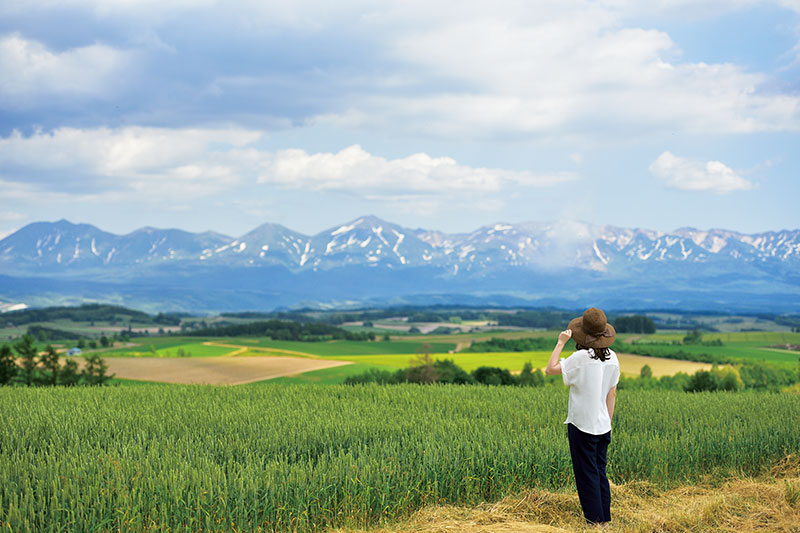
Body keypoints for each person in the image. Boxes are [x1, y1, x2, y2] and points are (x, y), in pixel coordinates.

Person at [545, 307, 620, 526]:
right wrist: (608, 422)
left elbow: (550, 369)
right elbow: (612, 393)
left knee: (586, 475)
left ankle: (594, 523)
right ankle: (605, 520)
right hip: (603, 425)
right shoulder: (613, 358)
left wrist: (560, 342)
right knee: (599, 473)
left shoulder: (579, 358)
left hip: (582, 425)